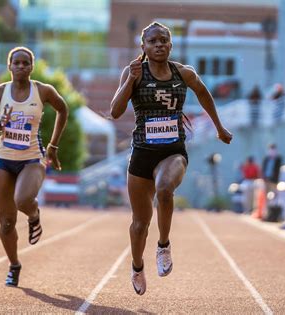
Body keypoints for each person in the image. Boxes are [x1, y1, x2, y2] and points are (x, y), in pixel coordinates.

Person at [110, 22, 232, 295]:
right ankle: (138, 266)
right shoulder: (134, 73)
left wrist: (219, 127)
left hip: (172, 150)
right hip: (142, 153)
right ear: (143, 46)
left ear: (170, 44)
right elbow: (115, 111)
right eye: (152, 41)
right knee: (140, 224)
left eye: (163, 40)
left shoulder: (183, 73)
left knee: (165, 190)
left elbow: (203, 93)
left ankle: (163, 246)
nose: (158, 45)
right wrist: (130, 80)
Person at [0, 47, 68, 287]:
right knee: (6, 222)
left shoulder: (42, 90)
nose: (21, 67)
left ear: (31, 67)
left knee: (23, 200)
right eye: (17, 63)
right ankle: (14, 265)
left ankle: (34, 214)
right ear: (9, 66)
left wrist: (53, 145)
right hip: (3, 161)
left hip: (32, 159)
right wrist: (2, 121)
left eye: (25, 63)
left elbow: (63, 109)